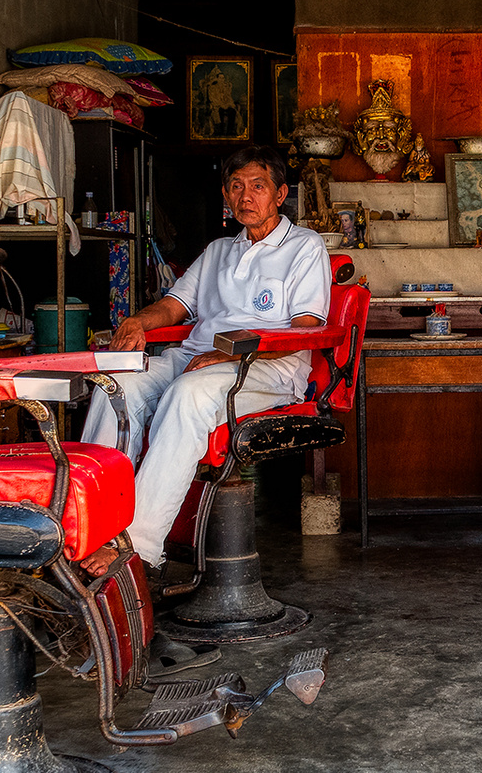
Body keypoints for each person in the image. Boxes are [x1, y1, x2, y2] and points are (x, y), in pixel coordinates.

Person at [80, 144, 328, 574]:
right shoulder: (218, 251)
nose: (246, 196)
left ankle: (137, 542)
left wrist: (225, 352)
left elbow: (306, 329)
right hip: (197, 358)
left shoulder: (304, 247)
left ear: (280, 193)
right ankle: (92, 522)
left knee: (188, 396)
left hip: (268, 367)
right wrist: (139, 321)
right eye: (236, 187)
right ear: (225, 195)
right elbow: (174, 306)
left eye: (258, 186)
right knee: (113, 388)